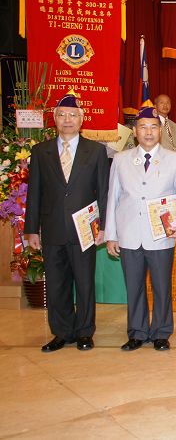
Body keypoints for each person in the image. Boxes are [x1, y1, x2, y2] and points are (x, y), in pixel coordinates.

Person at [24, 92, 109, 352]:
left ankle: (84, 331)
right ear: (55, 119)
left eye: (73, 115)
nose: (68, 119)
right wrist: (31, 229)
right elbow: (34, 193)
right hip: (52, 229)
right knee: (57, 283)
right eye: (62, 115)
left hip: (85, 229)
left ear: (81, 119)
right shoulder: (41, 151)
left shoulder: (96, 151)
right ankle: (61, 332)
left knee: (84, 283)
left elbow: (103, 191)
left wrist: (105, 226)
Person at [105, 104, 176, 352]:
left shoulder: (175, 160)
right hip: (129, 233)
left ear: (160, 131)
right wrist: (111, 234)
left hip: (161, 235)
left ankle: (161, 332)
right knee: (134, 287)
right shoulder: (120, 160)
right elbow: (113, 198)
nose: (149, 132)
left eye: (153, 127)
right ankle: (137, 332)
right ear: (135, 131)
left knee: (162, 287)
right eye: (143, 127)